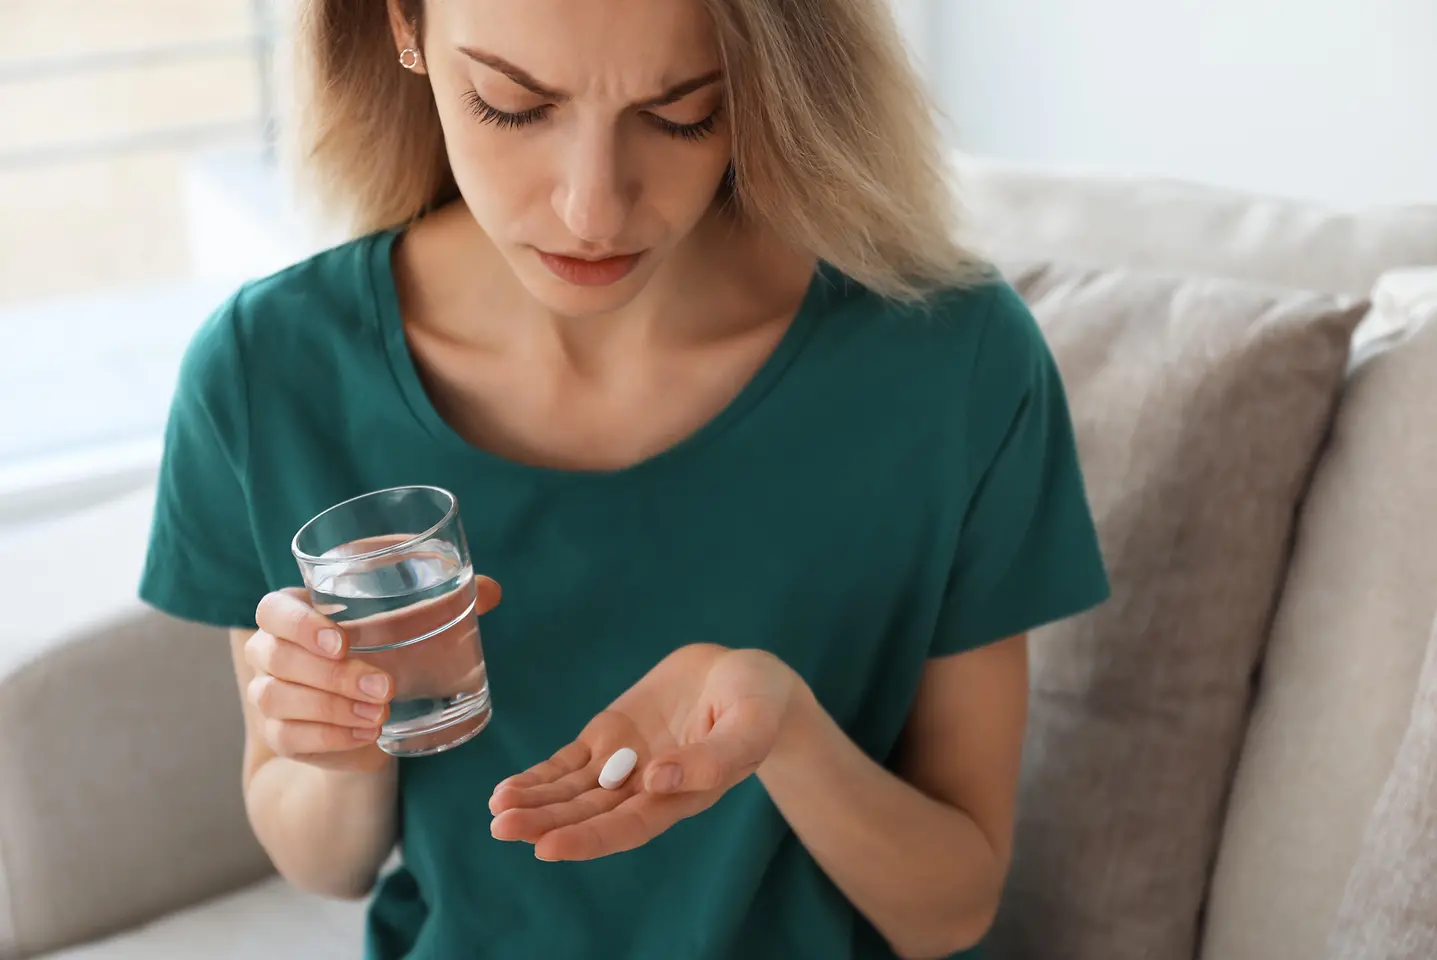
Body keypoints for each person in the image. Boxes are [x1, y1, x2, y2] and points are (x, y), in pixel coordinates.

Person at [138, 0, 1110, 957]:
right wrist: (343, 752)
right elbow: (323, 863)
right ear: (402, 25)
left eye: (681, 111)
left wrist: (784, 731)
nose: (592, 209)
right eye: (511, 106)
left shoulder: (949, 362)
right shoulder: (271, 374)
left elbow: (949, 912)